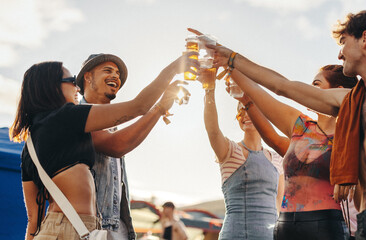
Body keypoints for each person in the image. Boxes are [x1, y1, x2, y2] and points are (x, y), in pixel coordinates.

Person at [208, 9, 366, 240]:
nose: (340, 54)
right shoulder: (350, 100)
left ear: (365, 38)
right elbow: (283, 86)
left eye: (344, 42)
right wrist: (230, 58)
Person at [11, 56, 196, 240]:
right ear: (51, 87)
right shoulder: (67, 117)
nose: (77, 86)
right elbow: (139, 107)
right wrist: (173, 69)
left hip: (56, 229)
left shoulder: (30, 145)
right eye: (71, 81)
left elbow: (33, 219)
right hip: (72, 229)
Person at [230, 65, 357, 239]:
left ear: (337, 92)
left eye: (316, 84)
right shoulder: (301, 125)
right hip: (285, 226)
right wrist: (232, 68)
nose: (307, 90)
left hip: (325, 227)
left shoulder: (350, 136)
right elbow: (272, 136)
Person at [77, 53, 192, 240]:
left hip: (116, 228)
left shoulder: (111, 126)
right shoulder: (76, 115)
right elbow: (117, 145)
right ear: (87, 77)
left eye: (117, 73)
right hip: (89, 228)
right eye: (107, 70)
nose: (116, 76)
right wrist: (161, 105)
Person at [201, 69, 286, 239]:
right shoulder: (230, 151)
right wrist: (209, 88)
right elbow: (212, 130)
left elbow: (280, 204)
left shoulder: (277, 158)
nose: (245, 115)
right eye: (241, 111)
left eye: (248, 108)